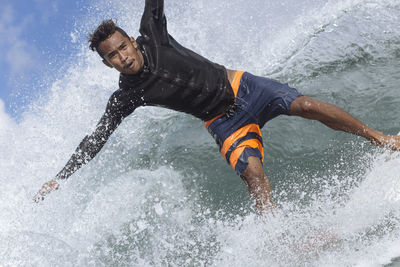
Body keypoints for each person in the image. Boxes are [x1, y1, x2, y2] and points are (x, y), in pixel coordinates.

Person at [33, 0, 400, 212]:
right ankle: (277, 236)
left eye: (122, 48)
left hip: (243, 86)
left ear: (131, 40)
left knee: (306, 104)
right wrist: (60, 178)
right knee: (253, 175)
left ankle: (381, 140)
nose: (122, 57)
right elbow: (95, 138)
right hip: (222, 121)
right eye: (112, 56)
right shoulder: (126, 96)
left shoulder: (153, 35)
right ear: (106, 63)